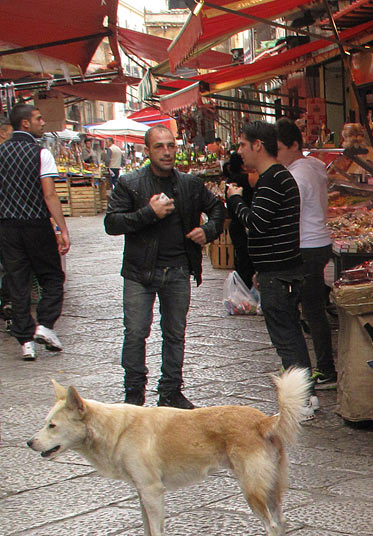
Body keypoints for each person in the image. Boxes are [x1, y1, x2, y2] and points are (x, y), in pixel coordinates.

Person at [104, 125, 226, 407]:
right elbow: (112, 223)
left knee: (175, 333)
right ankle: (134, 394)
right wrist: (149, 213)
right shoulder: (130, 183)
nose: (167, 152)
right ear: (147, 151)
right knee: (135, 332)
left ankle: (170, 392)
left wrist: (209, 231)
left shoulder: (189, 184)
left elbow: (218, 209)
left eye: (171, 145)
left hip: (178, 270)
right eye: (159, 146)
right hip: (139, 272)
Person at [225, 121, 318, 420]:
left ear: (257, 146)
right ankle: (306, 396)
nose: (239, 151)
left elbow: (257, 223)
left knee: (286, 339)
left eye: (242, 144)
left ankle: (302, 400)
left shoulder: (273, 180)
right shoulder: (279, 178)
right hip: (279, 270)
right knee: (289, 335)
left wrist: (235, 200)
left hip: (280, 274)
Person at [0, 104, 69, 362]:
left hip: (7, 227)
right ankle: (46, 325)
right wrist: (62, 229)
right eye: (39, 119)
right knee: (51, 277)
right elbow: (49, 194)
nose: (43, 122)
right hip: (36, 225)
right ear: (25, 123)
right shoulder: (41, 153)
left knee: (18, 284)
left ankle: (25, 341)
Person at [276, 118, 336, 389]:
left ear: (294, 145)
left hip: (307, 245)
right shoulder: (312, 166)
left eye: (278, 148)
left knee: (312, 310)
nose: (276, 155)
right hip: (318, 242)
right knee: (314, 309)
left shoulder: (298, 175)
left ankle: (325, 370)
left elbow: (289, 214)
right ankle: (320, 367)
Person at [221, 150, 256, 288]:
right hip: (244, 225)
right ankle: (246, 289)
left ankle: (243, 288)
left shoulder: (231, 180)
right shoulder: (244, 180)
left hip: (237, 225)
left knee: (241, 258)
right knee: (246, 259)